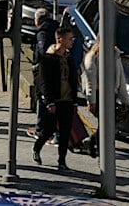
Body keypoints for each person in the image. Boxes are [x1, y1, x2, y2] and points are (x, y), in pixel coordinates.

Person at [31, 23, 78, 167]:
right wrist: (49, 101)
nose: (72, 41)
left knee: (65, 133)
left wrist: (74, 101)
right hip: (54, 100)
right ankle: (37, 148)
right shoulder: (48, 59)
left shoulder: (69, 59)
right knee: (49, 130)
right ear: (60, 39)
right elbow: (44, 82)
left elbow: (73, 80)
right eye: (69, 39)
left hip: (67, 100)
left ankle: (62, 161)